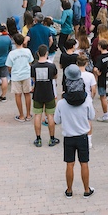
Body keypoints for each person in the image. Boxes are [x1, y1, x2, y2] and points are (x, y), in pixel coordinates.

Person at [57, 64, 96, 198]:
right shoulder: (86, 101)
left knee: (70, 163)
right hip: (82, 136)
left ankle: (69, 190)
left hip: (68, 136)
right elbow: (92, 116)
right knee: (84, 163)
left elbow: (56, 120)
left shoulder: (62, 103)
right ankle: (86, 189)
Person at [30, 45, 59, 148]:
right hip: (49, 93)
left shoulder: (33, 66)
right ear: (47, 54)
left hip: (37, 93)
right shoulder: (51, 66)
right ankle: (52, 138)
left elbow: (33, 79)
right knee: (50, 115)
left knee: (37, 115)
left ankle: (38, 139)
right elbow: (55, 76)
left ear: (38, 54)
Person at [7, 34, 33, 122]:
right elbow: (30, 62)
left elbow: (9, 66)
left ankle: (21, 115)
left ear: (14, 42)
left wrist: (11, 72)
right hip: (26, 74)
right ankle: (28, 114)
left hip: (16, 75)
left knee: (18, 95)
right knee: (27, 94)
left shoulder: (12, 53)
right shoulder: (27, 51)